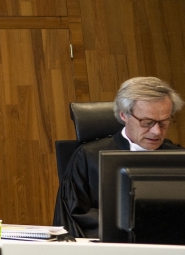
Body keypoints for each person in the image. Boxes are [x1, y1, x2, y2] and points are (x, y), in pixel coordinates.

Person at [55, 77, 182, 238]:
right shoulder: (88, 158)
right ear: (124, 115)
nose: (157, 131)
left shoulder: (179, 158)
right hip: (108, 252)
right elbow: (73, 219)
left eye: (164, 122)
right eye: (147, 122)